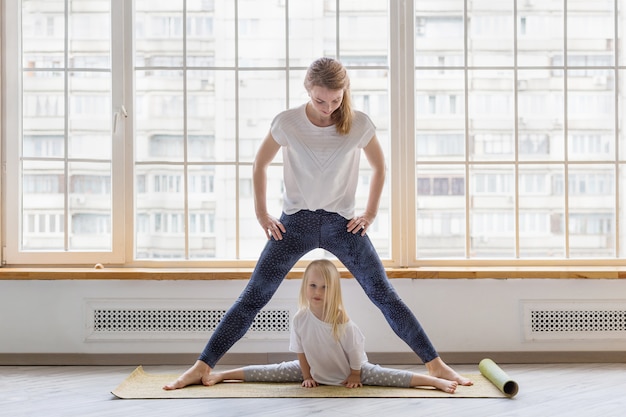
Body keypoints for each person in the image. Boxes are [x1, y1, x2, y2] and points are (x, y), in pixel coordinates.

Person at [164, 57, 471, 390]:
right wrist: (261, 215)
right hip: (295, 224)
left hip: (343, 225)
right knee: (253, 297)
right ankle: (201, 366)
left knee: (384, 295)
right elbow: (259, 165)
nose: (328, 107)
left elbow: (381, 168)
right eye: (320, 100)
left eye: (336, 99)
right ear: (308, 91)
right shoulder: (288, 122)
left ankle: (436, 365)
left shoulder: (359, 124)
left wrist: (369, 213)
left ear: (345, 92)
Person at [201, 259, 459, 393]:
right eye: (313, 286)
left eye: (324, 287)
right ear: (305, 287)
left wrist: (356, 375)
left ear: (333, 290)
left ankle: (432, 380)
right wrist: (307, 376)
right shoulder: (300, 319)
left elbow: (356, 352)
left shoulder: (342, 322)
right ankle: (223, 374)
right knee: (272, 371)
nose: (318, 291)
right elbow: (300, 352)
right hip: (314, 370)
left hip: (350, 371)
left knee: (389, 377)